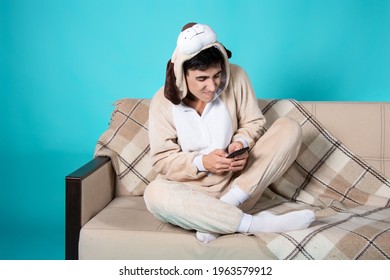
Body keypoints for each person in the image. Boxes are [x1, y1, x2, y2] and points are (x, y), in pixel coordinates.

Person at [144, 22, 315, 243]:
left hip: (240, 185)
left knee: (289, 127)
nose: (213, 86)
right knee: (154, 194)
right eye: (202, 79)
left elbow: (253, 123)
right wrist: (203, 162)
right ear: (182, 73)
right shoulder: (161, 102)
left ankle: (223, 210)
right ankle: (256, 224)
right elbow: (162, 161)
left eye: (217, 75)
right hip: (191, 194)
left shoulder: (237, 77)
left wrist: (241, 143)